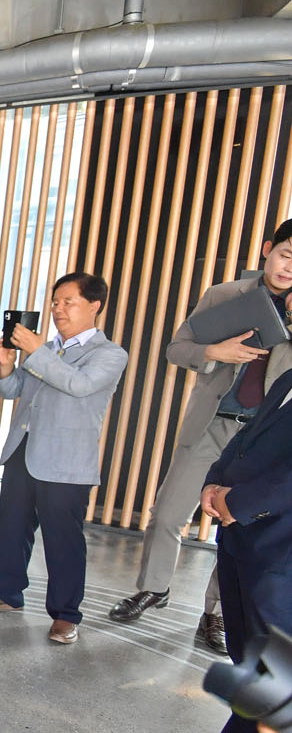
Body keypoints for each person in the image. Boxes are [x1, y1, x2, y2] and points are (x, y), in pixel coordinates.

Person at [109, 219, 292, 655]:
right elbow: (177, 348)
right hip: (213, 422)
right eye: (286, 255)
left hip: (263, 437)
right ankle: (154, 588)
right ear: (268, 249)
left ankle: (216, 614)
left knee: (237, 524)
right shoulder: (224, 295)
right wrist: (213, 352)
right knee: (168, 513)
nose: (289, 268)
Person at [0, 273, 129, 644]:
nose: (58, 309)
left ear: (94, 305)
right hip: (23, 450)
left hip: (66, 462)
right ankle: (7, 593)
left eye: (68, 301)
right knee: (12, 530)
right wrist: (6, 364)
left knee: (63, 542)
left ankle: (66, 614)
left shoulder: (109, 354)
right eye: (55, 301)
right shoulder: (48, 348)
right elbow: (14, 391)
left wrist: (37, 351)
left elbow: (78, 385)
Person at [169, 362, 292, 733]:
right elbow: (247, 437)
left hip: (282, 543)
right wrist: (214, 480)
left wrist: (238, 502)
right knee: (248, 648)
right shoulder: (288, 379)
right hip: (245, 534)